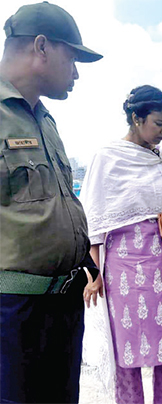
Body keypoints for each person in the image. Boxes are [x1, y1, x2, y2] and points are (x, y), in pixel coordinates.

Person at [0, 2, 103, 403]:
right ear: (41, 47)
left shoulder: (43, 119)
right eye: (72, 57)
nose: (76, 72)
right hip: (13, 314)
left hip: (61, 308)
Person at [79, 85, 162, 404]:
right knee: (127, 352)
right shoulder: (108, 158)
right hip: (125, 270)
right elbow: (93, 222)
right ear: (136, 117)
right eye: (159, 123)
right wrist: (95, 274)